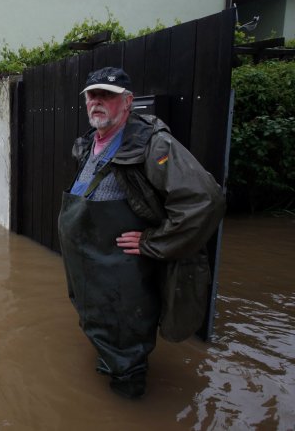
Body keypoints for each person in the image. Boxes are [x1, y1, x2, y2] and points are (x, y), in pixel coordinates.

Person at [57, 66, 225, 399]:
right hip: (91, 279)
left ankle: (128, 404)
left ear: (128, 101)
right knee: (105, 340)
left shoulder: (152, 145)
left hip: (123, 285)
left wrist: (154, 242)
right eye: (93, 95)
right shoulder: (89, 143)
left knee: (127, 353)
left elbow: (205, 200)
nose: (98, 102)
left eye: (108, 95)